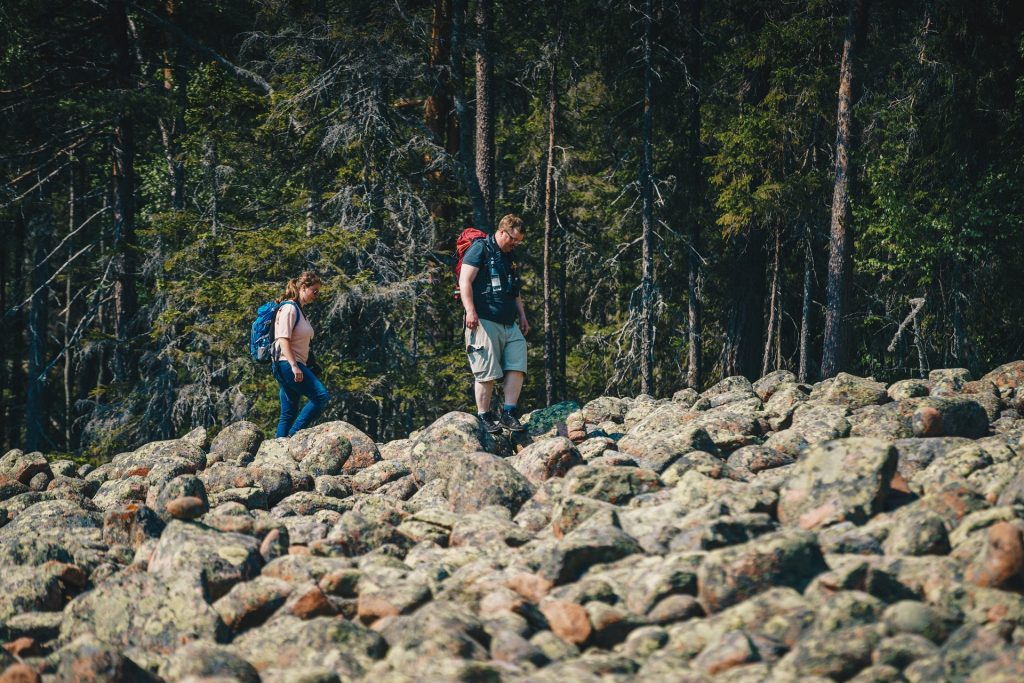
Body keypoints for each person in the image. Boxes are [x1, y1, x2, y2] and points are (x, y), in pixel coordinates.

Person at [459, 214, 530, 433]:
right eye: (513, 239)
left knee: (517, 365)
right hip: (484, 320)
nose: (514, 244)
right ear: (502, 232)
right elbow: (465, 281)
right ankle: (484, 416)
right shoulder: (480, 249)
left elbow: (514, 289)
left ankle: (509, 413)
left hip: (509, 322)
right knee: (486, 371)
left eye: (518, 241)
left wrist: (523, 316)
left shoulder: (510, 256)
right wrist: (470, 311)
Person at [272, 272, 329, 438]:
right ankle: (294, 436)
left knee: (288, 413)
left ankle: (278, 451)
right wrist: (294, 365)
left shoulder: (299, 310)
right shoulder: (289, 308)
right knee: (321, 396)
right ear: (303, 288)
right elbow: (283, 339)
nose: (316, 295)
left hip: (290, 365)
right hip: (288, 364)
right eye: (315, 291)